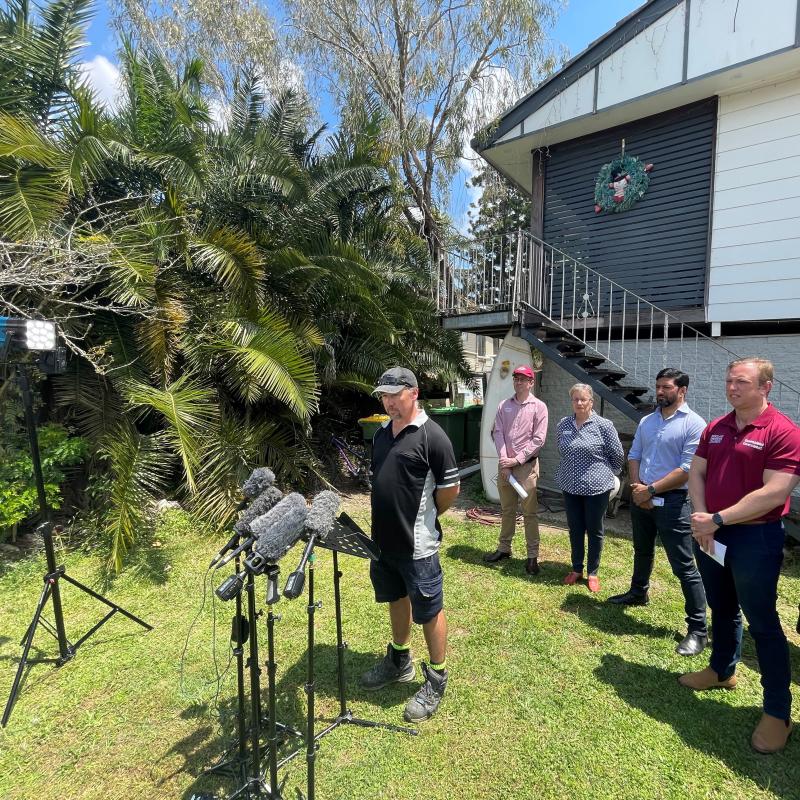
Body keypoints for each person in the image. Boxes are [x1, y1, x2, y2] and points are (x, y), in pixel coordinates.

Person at [682, 358, 800, 754]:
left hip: (755, 538)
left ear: (765, 386)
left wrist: (717, 518)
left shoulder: (783, 432)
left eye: (742, 382)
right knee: (722, 607)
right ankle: (721, 670)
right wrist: (702, 519)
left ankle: (777, 711)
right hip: (713, 533)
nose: (732, 387)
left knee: (763, 623)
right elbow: (697, 472)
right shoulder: (715, 428)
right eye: (730, 380)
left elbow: (776, 492)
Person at [360, 367, 460, 723]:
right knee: (395, 598)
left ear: (413, 393)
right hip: (384, 544)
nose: (388, 402)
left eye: (394, 395)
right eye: (384, 396)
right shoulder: (381, 434)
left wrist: (428, 517)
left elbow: (449, 491)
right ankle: (399, 660)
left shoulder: (434, 438)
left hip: (418, 547)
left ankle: (437, 677)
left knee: (429, 611)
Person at [607, 368, 708, 657]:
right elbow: (634, 455)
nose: (660, 391)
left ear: (682, 391)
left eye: (666, 387)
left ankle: (698, 629)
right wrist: (639, 489)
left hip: (674, 503)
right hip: (643, 499)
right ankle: (638, 592)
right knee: (642, 550)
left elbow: (688, 469)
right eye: (658, 386)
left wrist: (650, 491)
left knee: (684, 566)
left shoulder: (694, 424)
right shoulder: (648, 421)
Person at [554, 383, 624, 593]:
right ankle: (576, 569)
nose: (579, 403)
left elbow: (618, 455)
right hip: (570, 485)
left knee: (595, 530)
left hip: (596, 488)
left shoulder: (604, 425)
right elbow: (562, 450)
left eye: (583, 399)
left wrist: (605, 473)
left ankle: (592, 572)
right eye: (575, 399)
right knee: (575, 529)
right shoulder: (563, 424)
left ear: (591, 402)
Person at [483, 365, 548, 574]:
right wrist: (504, 461)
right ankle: (504, 549)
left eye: (523, 379)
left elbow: (538, 440)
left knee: (529, 513)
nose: (518, 382)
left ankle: (532, 556)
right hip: (505, 468)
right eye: (516, 379)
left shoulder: (539, 407)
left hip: (526, 468)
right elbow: (498, 432)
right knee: (507, 510)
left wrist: (516, 460)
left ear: (531, 383)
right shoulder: (504, 405)